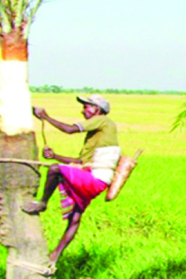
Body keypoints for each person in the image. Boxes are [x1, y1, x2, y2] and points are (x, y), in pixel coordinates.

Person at [23, 94, 121, 266]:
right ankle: (54, 256)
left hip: (94, 179)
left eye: (86, 107)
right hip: (96, 179)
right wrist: (55, 155)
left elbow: (70, 130)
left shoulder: (102, 121)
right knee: (75, 217)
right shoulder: (97, 133)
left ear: (97, 110)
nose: (83, 111)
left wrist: (45, 116)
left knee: (54, 169)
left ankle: (43, 202)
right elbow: (81, 163)